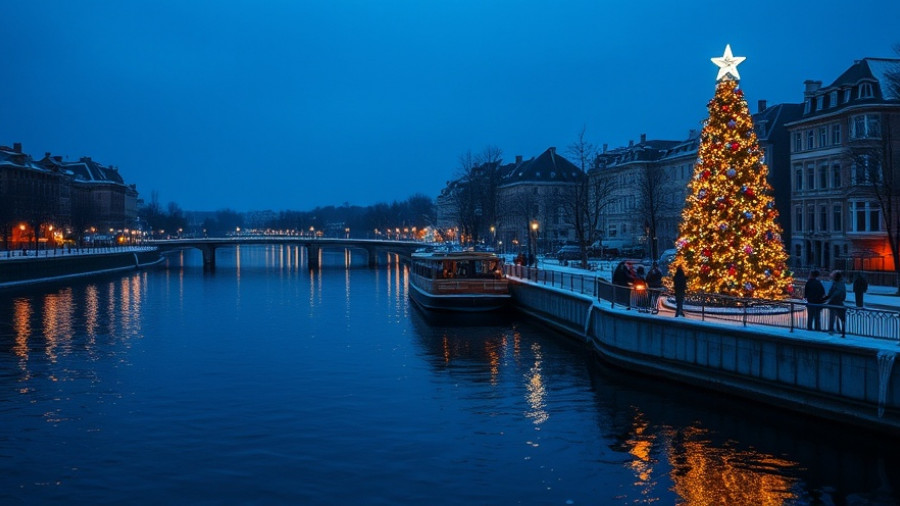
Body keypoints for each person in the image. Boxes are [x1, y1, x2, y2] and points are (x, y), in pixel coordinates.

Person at [825, 270, 847, 335]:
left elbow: (834, 292)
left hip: (835, 302)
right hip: (837, 302)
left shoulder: (837, 284)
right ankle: (837, 329)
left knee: (834, 316)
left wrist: (831, 297)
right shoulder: (839, 283)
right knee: (838, 316)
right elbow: (841, 293)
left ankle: (834, 329)